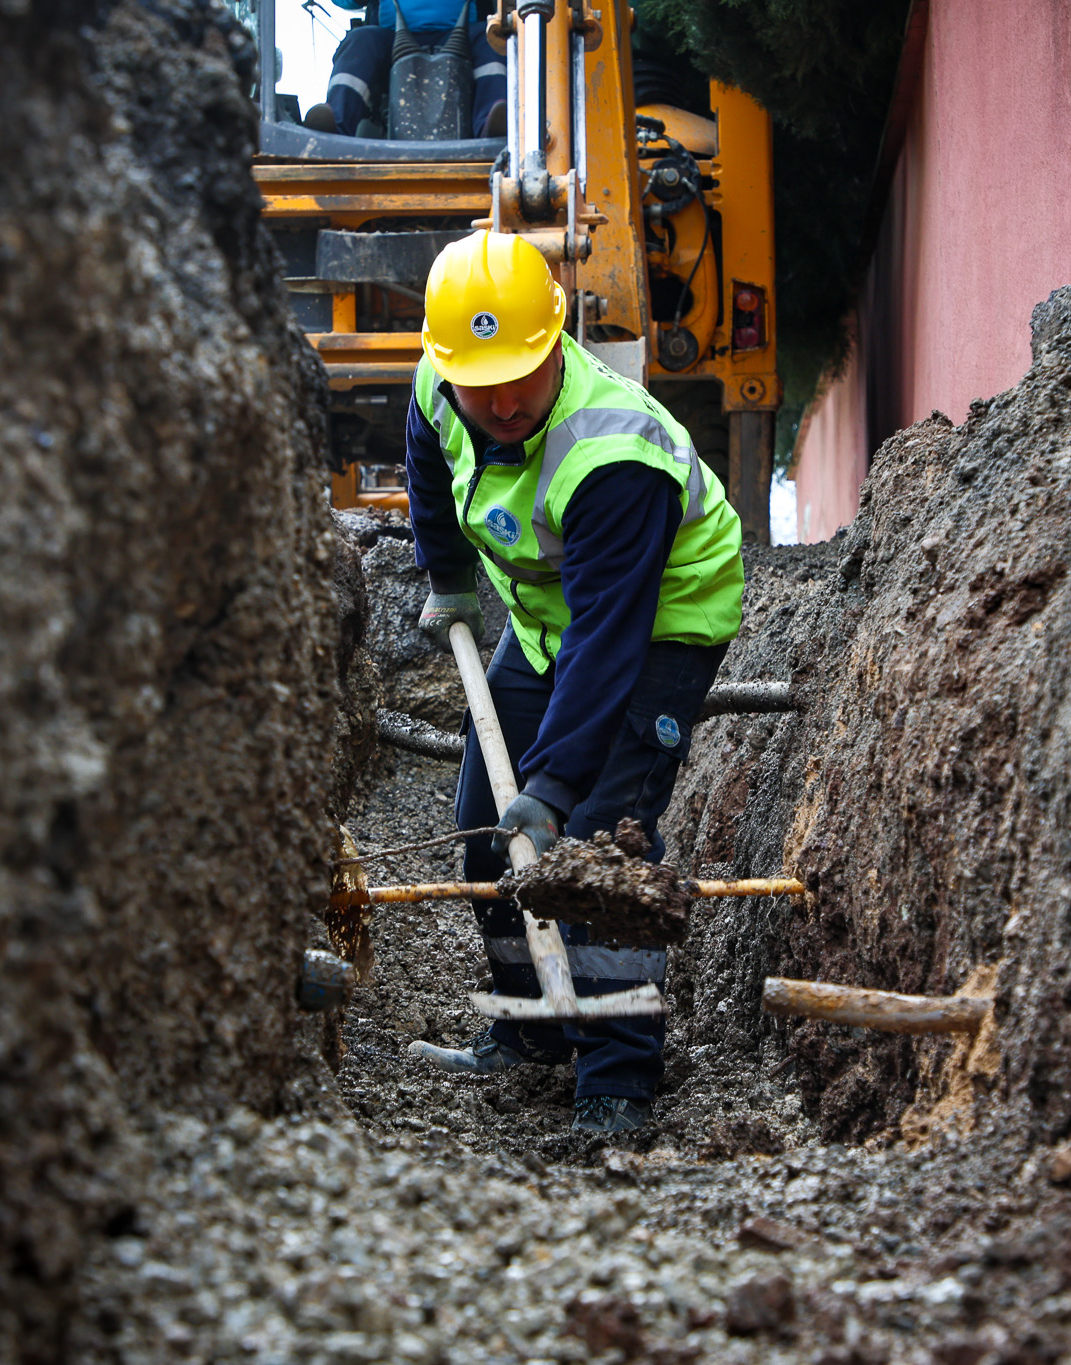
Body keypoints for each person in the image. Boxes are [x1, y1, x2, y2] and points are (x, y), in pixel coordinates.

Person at [400, 232, 744, 1133]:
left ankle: (619, 1075)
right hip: (545, 617)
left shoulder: (612, 457)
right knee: (487, 823)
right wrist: (447, 582)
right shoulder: (442, 385)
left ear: (558, 341)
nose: (504, 400)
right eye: (482, 381)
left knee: (600, 844)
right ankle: (535, 1028)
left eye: (523, 371)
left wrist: (554, 786)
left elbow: (609, 638)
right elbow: (429, 477)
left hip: (657, 618)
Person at [303, 0, 507, 139]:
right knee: (360, 40)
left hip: (466, 37)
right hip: (391, 40)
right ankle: (334, 124)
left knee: (492, 42)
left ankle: (492, 124)